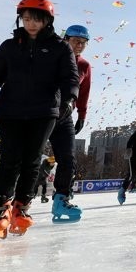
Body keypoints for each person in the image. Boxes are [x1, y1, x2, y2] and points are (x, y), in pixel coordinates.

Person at [0, 0, 79, 238]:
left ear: (47, 21)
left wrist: (69, 100)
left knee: (31, 160)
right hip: (12, 110)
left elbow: (70, 78)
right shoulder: (10, 45)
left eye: (36, 20)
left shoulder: (60, 47)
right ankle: (1, 205)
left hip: (45, 111)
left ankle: (21, 206)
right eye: (27, 19)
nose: (30, 24)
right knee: (10, 157)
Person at [36, 24, 91, 224]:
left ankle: (61, 199)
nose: (79, 45)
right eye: (75, 41)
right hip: (43, 111)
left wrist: (82, 114)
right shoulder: (51, 56)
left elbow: (83, 91)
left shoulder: (84, 65)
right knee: (30, 156)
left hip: (65, 115)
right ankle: (5, 200)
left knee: (68, 159)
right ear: (65, 39)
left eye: (83, 43)